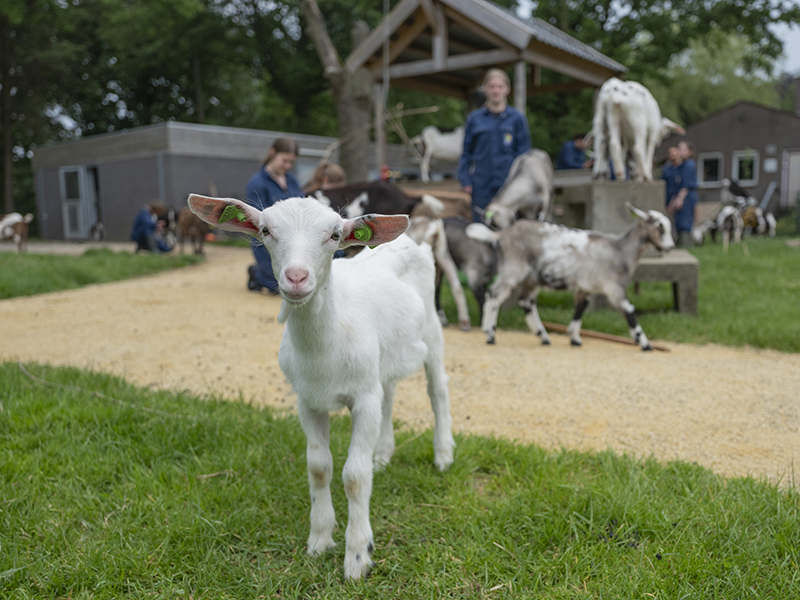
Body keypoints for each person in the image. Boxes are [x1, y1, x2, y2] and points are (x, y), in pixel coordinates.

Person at [458, 68, 531, 222]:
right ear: (486, 90)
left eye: (499, 86)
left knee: (508, 226)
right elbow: (466, 153)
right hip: (481, 185)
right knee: (482, 224)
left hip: (509, 184)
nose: (495, 90)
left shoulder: (517, 119)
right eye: (492, 86)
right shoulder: (475, 119)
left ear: (507, 89)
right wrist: (465, 180)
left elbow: (524, 155)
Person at [245, 138, 303, 293]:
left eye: (291, 162)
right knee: (280, 286)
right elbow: (258, 220)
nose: (288, 166)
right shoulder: (256, 183)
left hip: (296, 239)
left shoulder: (292, 180)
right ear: (272, 153)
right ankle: (256, 273)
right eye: (284, 160)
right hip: (270, 242)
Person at [661, 142, 698, 247]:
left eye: (681, 149)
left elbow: (686, 185)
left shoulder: (689, 165)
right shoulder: (672, 167)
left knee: (684, 223)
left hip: (685, 198)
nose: (679, 151)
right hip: (673, 198)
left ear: (689, 152)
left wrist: (679, 199)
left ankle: (685, 245)